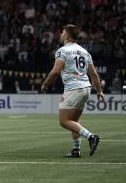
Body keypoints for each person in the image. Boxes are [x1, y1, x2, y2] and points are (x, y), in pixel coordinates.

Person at [41, 24, 103, 157]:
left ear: (68, 35)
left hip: (73, 88)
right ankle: (76, 150)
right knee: (73, 120)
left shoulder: (62, 51)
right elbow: (94, 75)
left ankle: (92, 137)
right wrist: (99, 91)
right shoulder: (84, 52)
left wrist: (45, 84)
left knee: (64, 121)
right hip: (86, 88)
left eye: (63, 32)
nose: (61, 34)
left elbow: (55, 71)